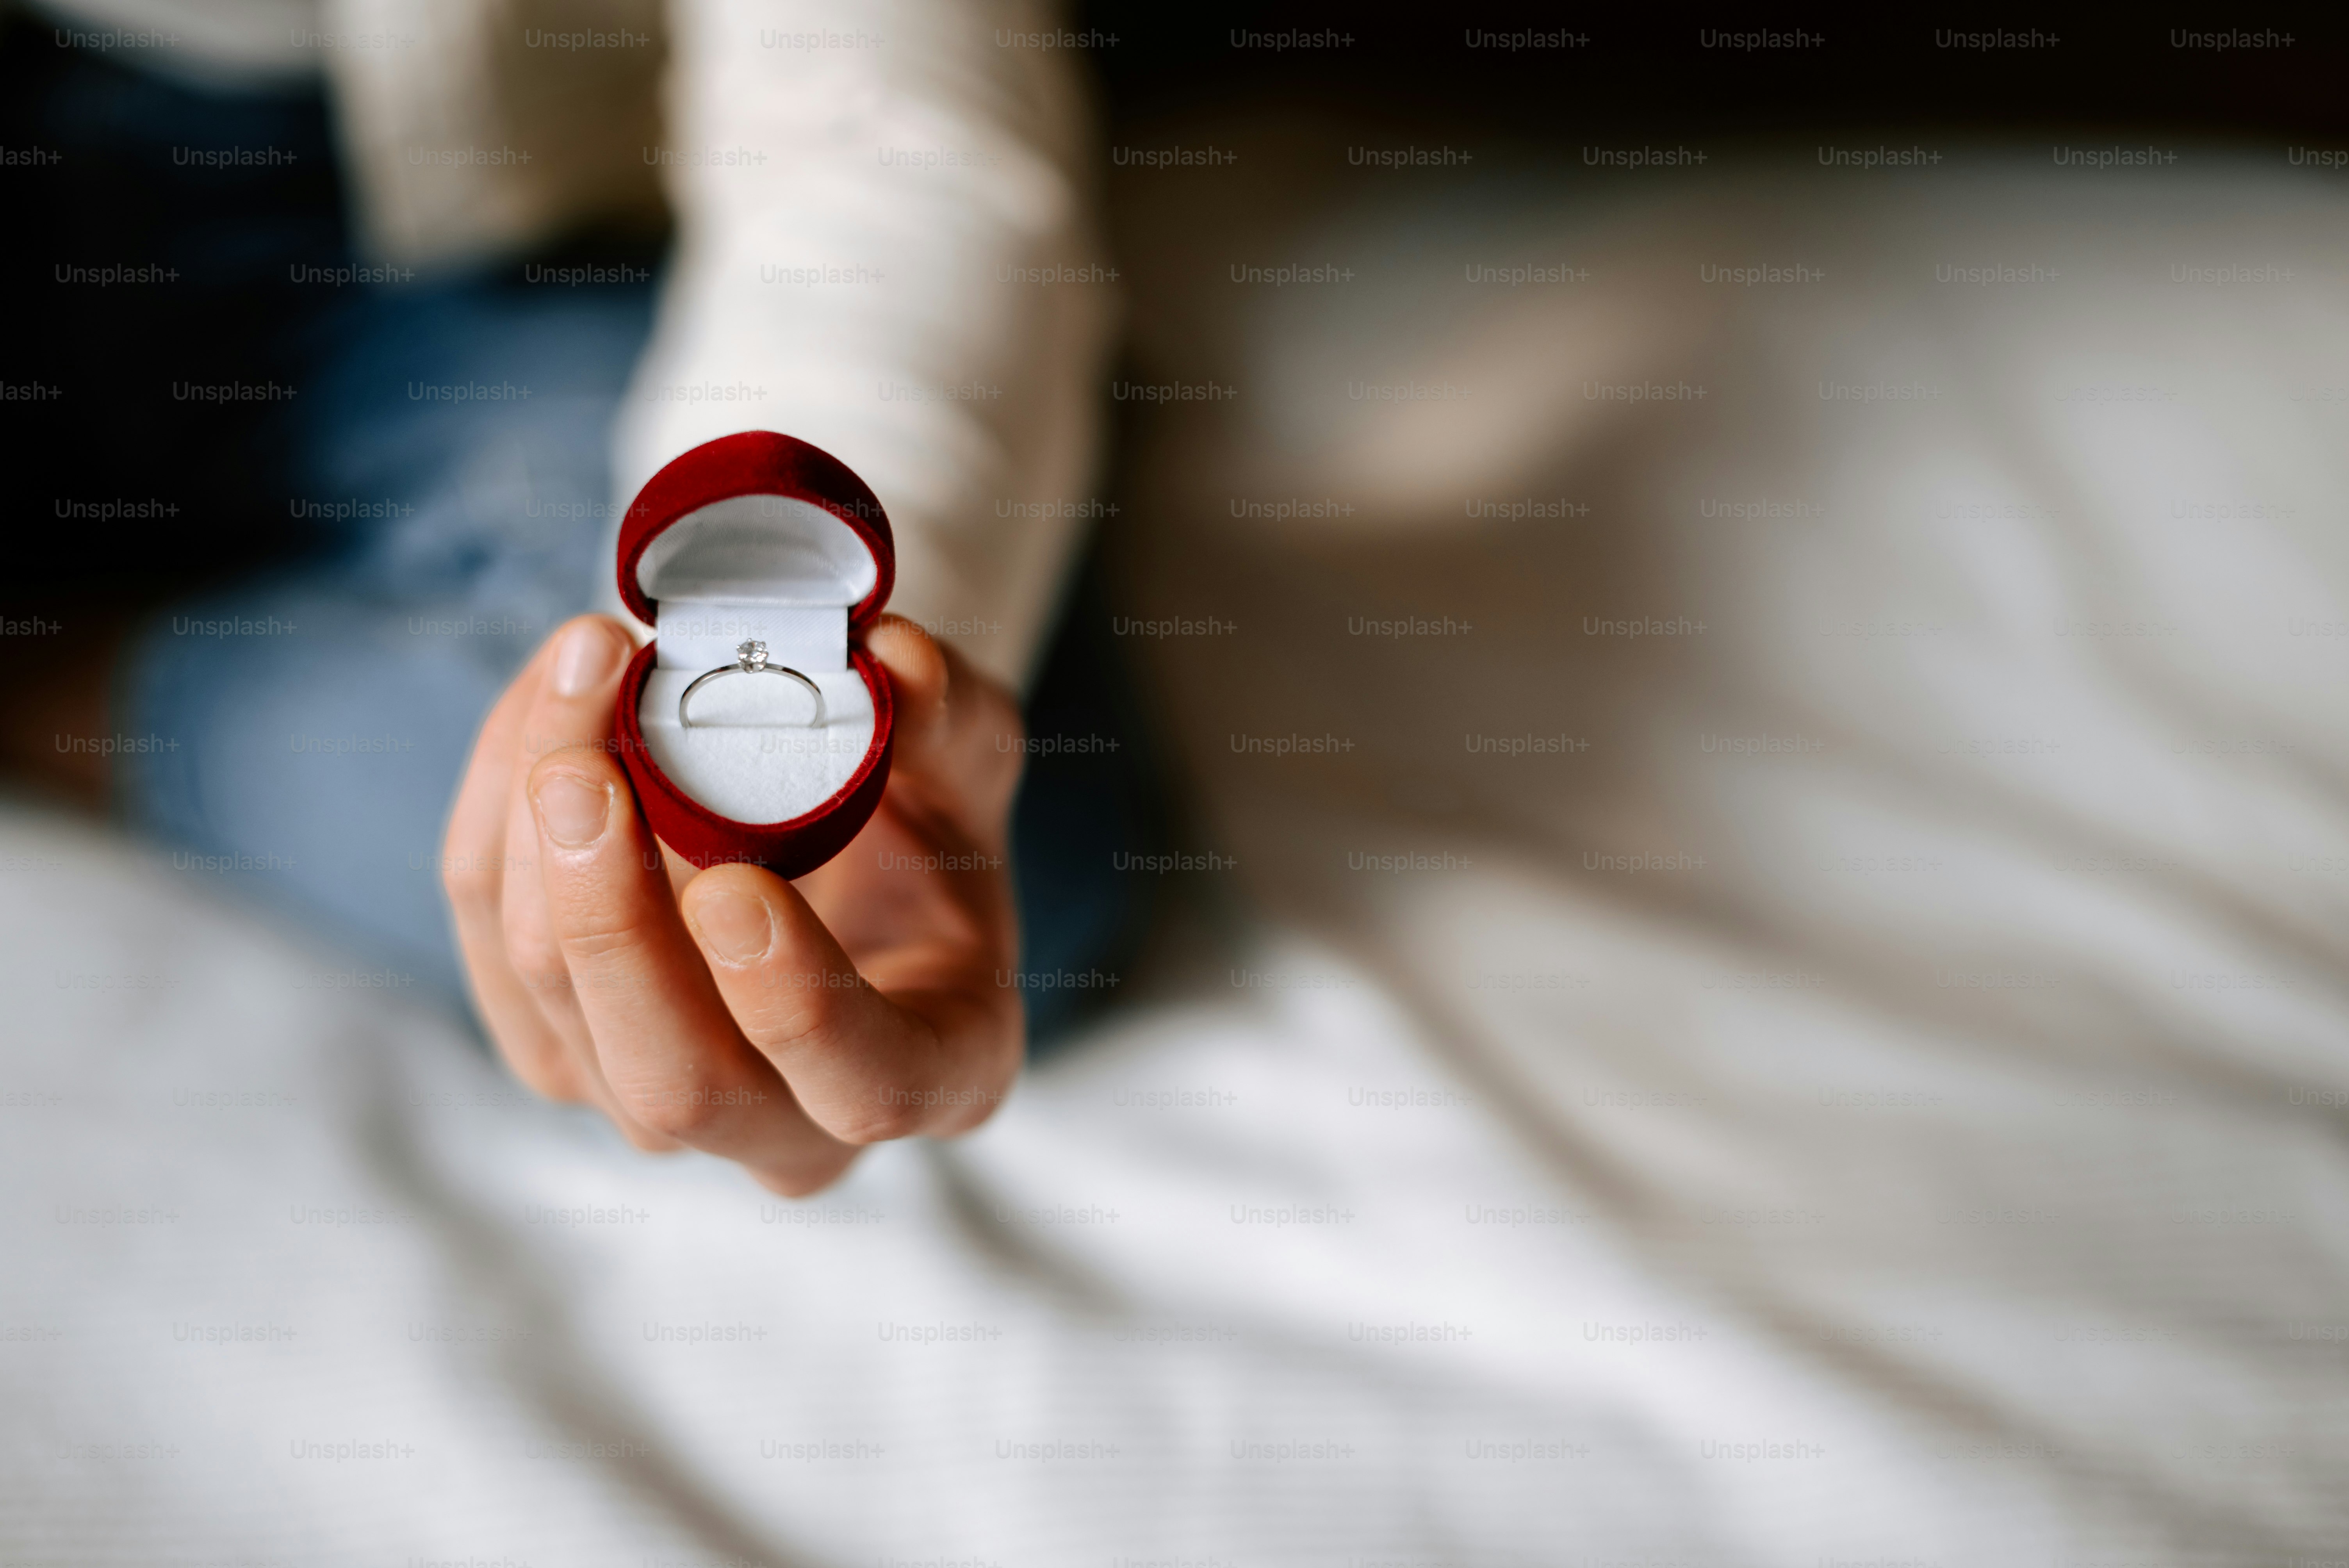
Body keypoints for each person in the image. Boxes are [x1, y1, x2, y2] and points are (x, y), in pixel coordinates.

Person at [5, 0, 1121, 1190]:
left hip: (432, 224)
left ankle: (67, 687)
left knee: (940, 885)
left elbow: (883, 131)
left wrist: (829, 795)